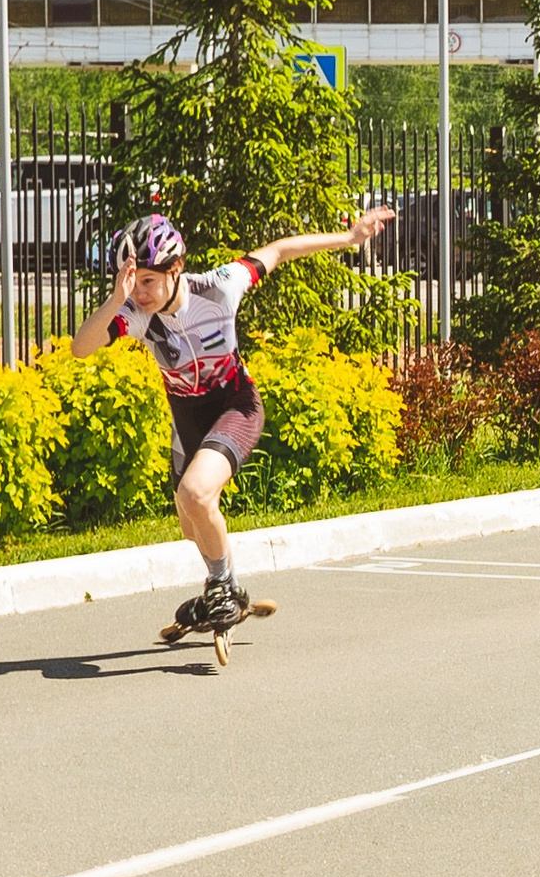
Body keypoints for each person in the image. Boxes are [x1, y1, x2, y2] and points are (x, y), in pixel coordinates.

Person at [73, 205, 397, 644]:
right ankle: (226, 586)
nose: (141, 293)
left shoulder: (221, 286)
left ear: (177, 269)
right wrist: (116, 299)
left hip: (235, 405)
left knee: (195, 493)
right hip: (186, 418)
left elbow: (279, 250)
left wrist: (350, 239)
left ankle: (222, 586)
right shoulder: (135, 313)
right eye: (134, 282)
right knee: (192, 522)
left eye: (148, 281)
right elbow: (81, 347)